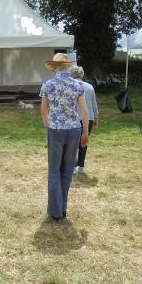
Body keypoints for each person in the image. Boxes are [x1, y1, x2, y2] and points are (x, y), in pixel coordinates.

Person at [40, 53, 89, 221]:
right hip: (74, 130)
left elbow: (43, 111)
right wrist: (86, 132)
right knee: (67, 171)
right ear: (68, 66)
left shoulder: (48, 85)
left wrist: (48, 127)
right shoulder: (77, 85)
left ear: (54, 67)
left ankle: (55, 212)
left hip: (55, 130)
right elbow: (84, 112)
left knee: (54, 170)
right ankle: (63, 209)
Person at [70, 65, 98, 174]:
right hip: (89, 117)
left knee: (72, 143)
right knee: (84, 141)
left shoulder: (71, 86)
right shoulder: (90, 87)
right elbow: (93, 103)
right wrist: (96, 117)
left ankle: (72, 167)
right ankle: (81, 166)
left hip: (75, 117)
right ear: (82, 75)